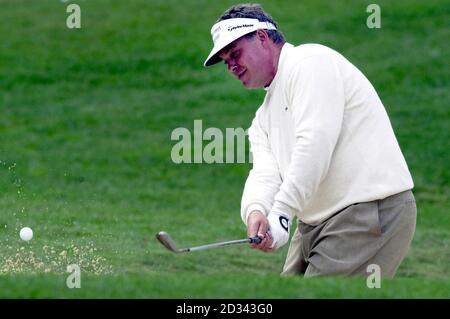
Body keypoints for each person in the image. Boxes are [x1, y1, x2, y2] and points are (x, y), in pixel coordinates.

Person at [203, 3, 416, 277]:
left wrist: (281, 211)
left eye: (235, 53)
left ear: (262, 37)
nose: (231, 66)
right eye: (225, 60)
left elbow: (314, 143)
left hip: (368, 211)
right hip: (313, 224)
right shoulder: (262, 118)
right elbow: (266, 173)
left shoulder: (310, 62)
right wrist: (258, 211)